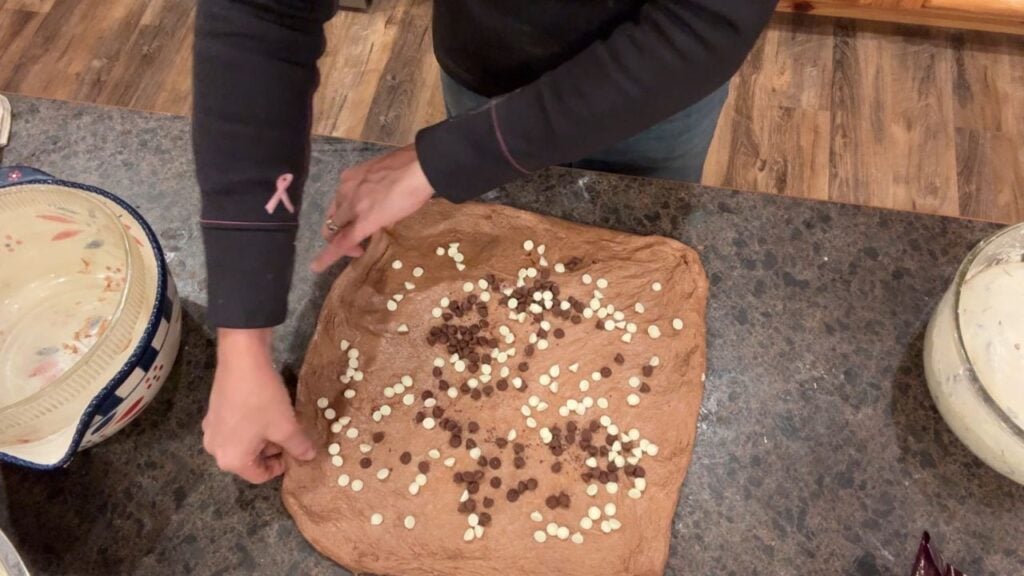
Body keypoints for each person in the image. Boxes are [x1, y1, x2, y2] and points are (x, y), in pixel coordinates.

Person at [194, 0, 777, 483]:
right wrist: (243, 342)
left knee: (633, 290)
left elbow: (708, 21)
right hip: (488, 69)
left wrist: (449, 158)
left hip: (658, 88)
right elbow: (260, 16)